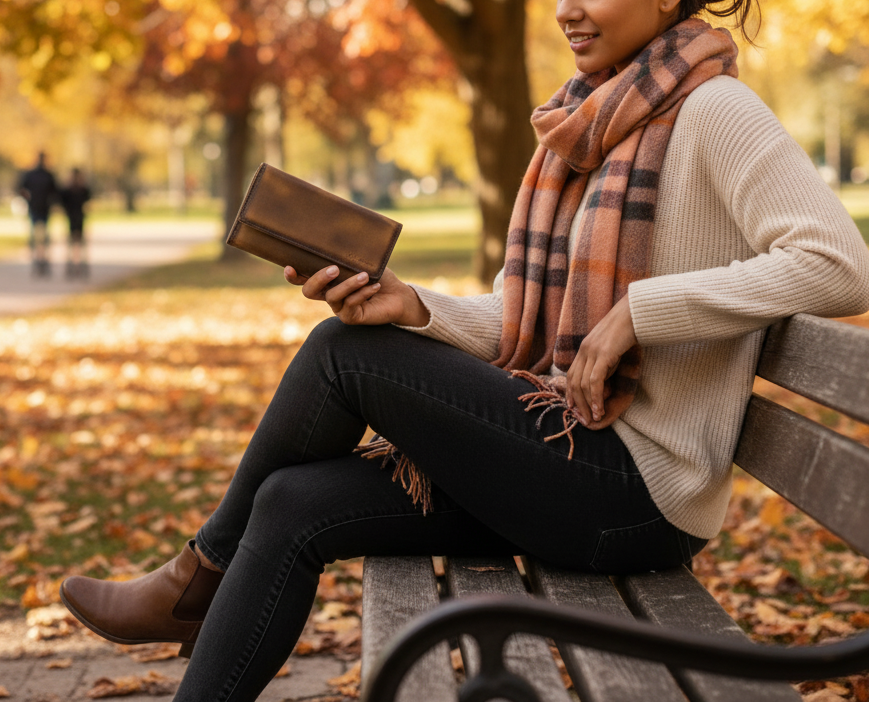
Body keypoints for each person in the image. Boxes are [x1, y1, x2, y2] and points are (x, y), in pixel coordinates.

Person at [59, 0, 869, 698]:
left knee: (341, 354)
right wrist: (411, 306)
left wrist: (640, 313)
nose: (564, 10)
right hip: (569, 455)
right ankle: (197, 602)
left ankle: (194, 578)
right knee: (292, 505)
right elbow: (521, 317)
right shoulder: (584, 121)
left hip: (636, 494)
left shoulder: (715, 110)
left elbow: (839, 264)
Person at [17, 152, 58, 277]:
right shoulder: (46, 175)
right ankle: (40, 260)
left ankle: (39, 260)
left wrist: (29, 199)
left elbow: (21, 189)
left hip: (39, 208)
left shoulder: (37, 175)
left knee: (38, 235)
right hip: (39, 208)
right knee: (40, 235)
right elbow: (55, 192)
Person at [60, 168, 92, 279]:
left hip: (76, 218)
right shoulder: (74, 190)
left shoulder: (77, 189)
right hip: (75, 218)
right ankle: (74, 266)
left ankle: (77, 266)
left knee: (77, 243)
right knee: (75, 243)